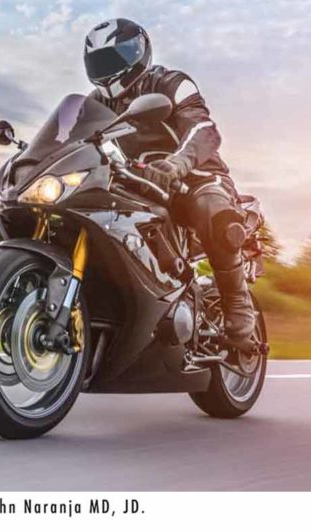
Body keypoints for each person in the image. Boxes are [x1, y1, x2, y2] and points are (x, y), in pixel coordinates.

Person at [83, 18, 255, 351]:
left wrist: (176, 165)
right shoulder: (96, 102)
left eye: (114, 59)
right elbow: (76, 137)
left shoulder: (172, 82)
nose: (108, 69)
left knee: (214, 212)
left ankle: (237, 303)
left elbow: (205, 130)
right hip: (135, 180)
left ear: (138, 54)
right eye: (100, 62)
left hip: (197, 177)